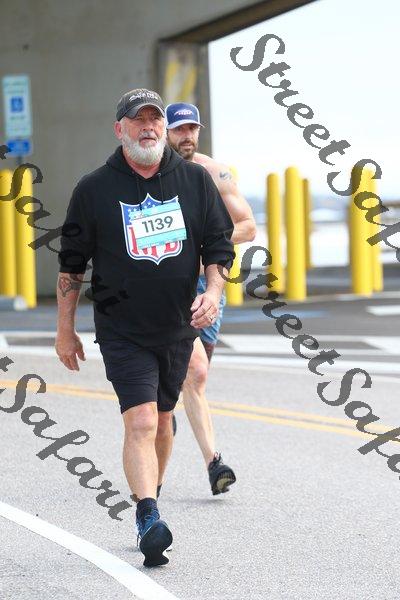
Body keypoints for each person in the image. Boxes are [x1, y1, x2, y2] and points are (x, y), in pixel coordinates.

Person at [55, 89, 234, 567]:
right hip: (122, 329)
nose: (149, 127)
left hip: (178, 326)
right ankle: (148, 516)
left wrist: (213, 293)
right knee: (141, 419)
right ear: (121, 129)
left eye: (155, 119)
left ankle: (150, 493)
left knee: (163, 420)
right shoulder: (94, 188)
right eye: (139, 120)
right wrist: (65, 329)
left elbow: (219, 246)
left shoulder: (194, 181)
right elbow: (71, 266)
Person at [166, 102, 256, 495]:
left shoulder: (215, 172)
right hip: (171, 284)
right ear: (166, 132)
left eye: (192, 129)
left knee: (194, 376)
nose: (186, 136)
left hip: (211, 282)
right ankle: (214, 463)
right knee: (196, 372)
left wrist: (205, 239)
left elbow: (247, 226)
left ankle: (162, 411)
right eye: (179, 129)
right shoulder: (151, 175)